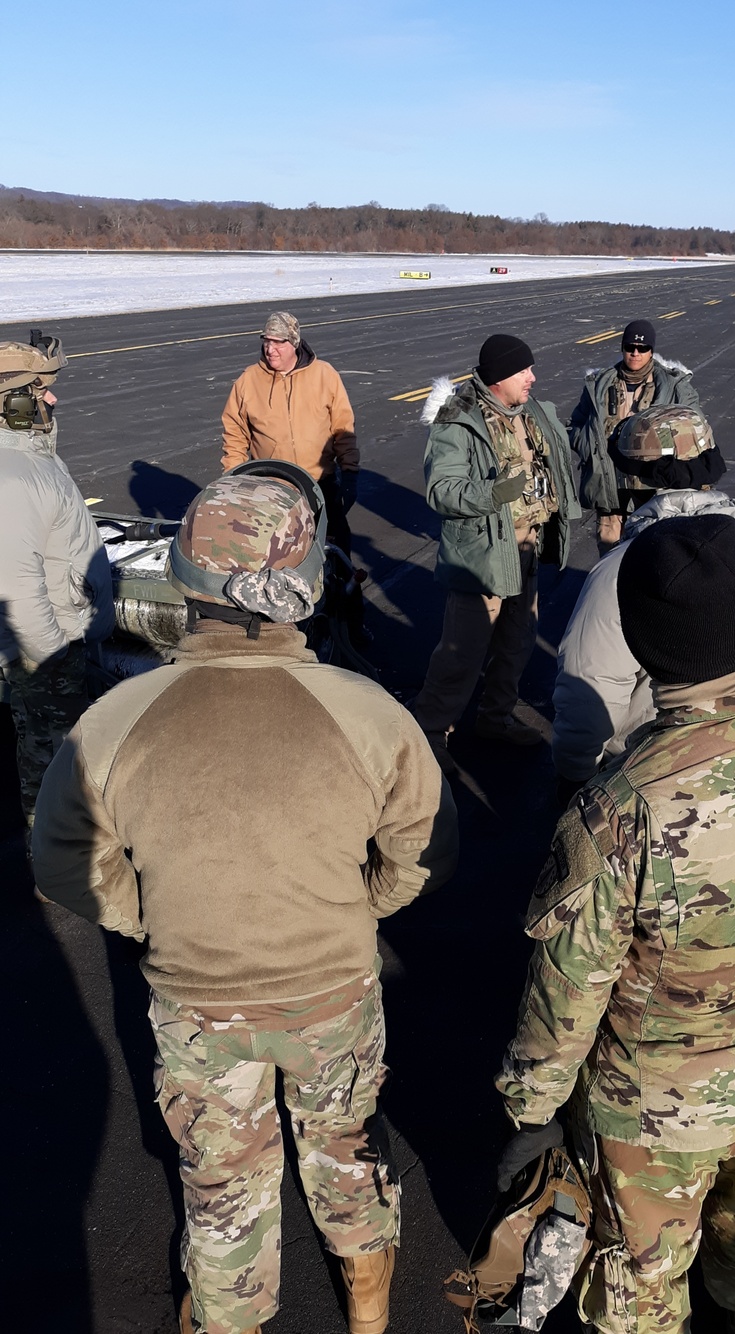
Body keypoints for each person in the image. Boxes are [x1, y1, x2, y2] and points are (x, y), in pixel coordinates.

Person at [31, 464, 459, 1334]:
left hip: (197, 998)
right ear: (303, 587)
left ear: (185, 578)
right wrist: (368, 901)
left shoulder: (117, 719)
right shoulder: (368, 711)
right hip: (334, 987)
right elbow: (426, 848)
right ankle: (369, 1303)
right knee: (343, 1145)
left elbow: (60, 859)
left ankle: (232, 1315)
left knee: (225, 1179)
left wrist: (140, 912)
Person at [495, 514, 735, 1334]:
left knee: (641, 1279)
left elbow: (567, 993)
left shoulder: (620, 806)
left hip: (653, 1102)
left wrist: (530, 1111)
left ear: (641, 642)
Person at [552, 406, 735, 788]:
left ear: (634, 479)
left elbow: (588, 695)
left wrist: (576, 776)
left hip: (652, 771)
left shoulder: (619, 572)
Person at [409, 334, 580, 772]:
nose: (532, 377)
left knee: (516, 642)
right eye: (524, 370)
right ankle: (429, 733)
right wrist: (492, 493)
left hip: (527, 546)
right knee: (461, 651)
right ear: (501, 375)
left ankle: (496, 717)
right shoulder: (459, 418)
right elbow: (441, 489)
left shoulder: (531, 412)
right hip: (482, 555)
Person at [0, 332, 113, 826]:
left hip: (61, 643)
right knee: (55, 774)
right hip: (47, 655)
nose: (52, 398)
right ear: (13, 399)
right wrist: (53, 657)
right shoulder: (14, 473)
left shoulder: (28, 454)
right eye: (41, 389)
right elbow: (17, 587)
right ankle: (54, 870)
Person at [568, 319, 719, 553]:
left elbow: (695, 426)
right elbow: (576, 424)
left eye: (643, 348)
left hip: (651, 490)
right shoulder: (599, 385)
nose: (635, 353)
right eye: (630, 347)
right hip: (609, 489)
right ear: (622, 348)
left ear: (652, 351)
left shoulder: (672, 385)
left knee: (651, 555)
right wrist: (591, 449)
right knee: (609, 556)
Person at [220, 311, 359, 554]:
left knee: (335, 552)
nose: (270, 349)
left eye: (278, 342)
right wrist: (234, 477)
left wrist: (349, 473)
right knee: (275, 555)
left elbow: (343, 427)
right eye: (266, 341)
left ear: (294, 343)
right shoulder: (248, 380)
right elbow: (235, 433)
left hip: (319, 484)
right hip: (271, 489)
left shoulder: (324, 375)